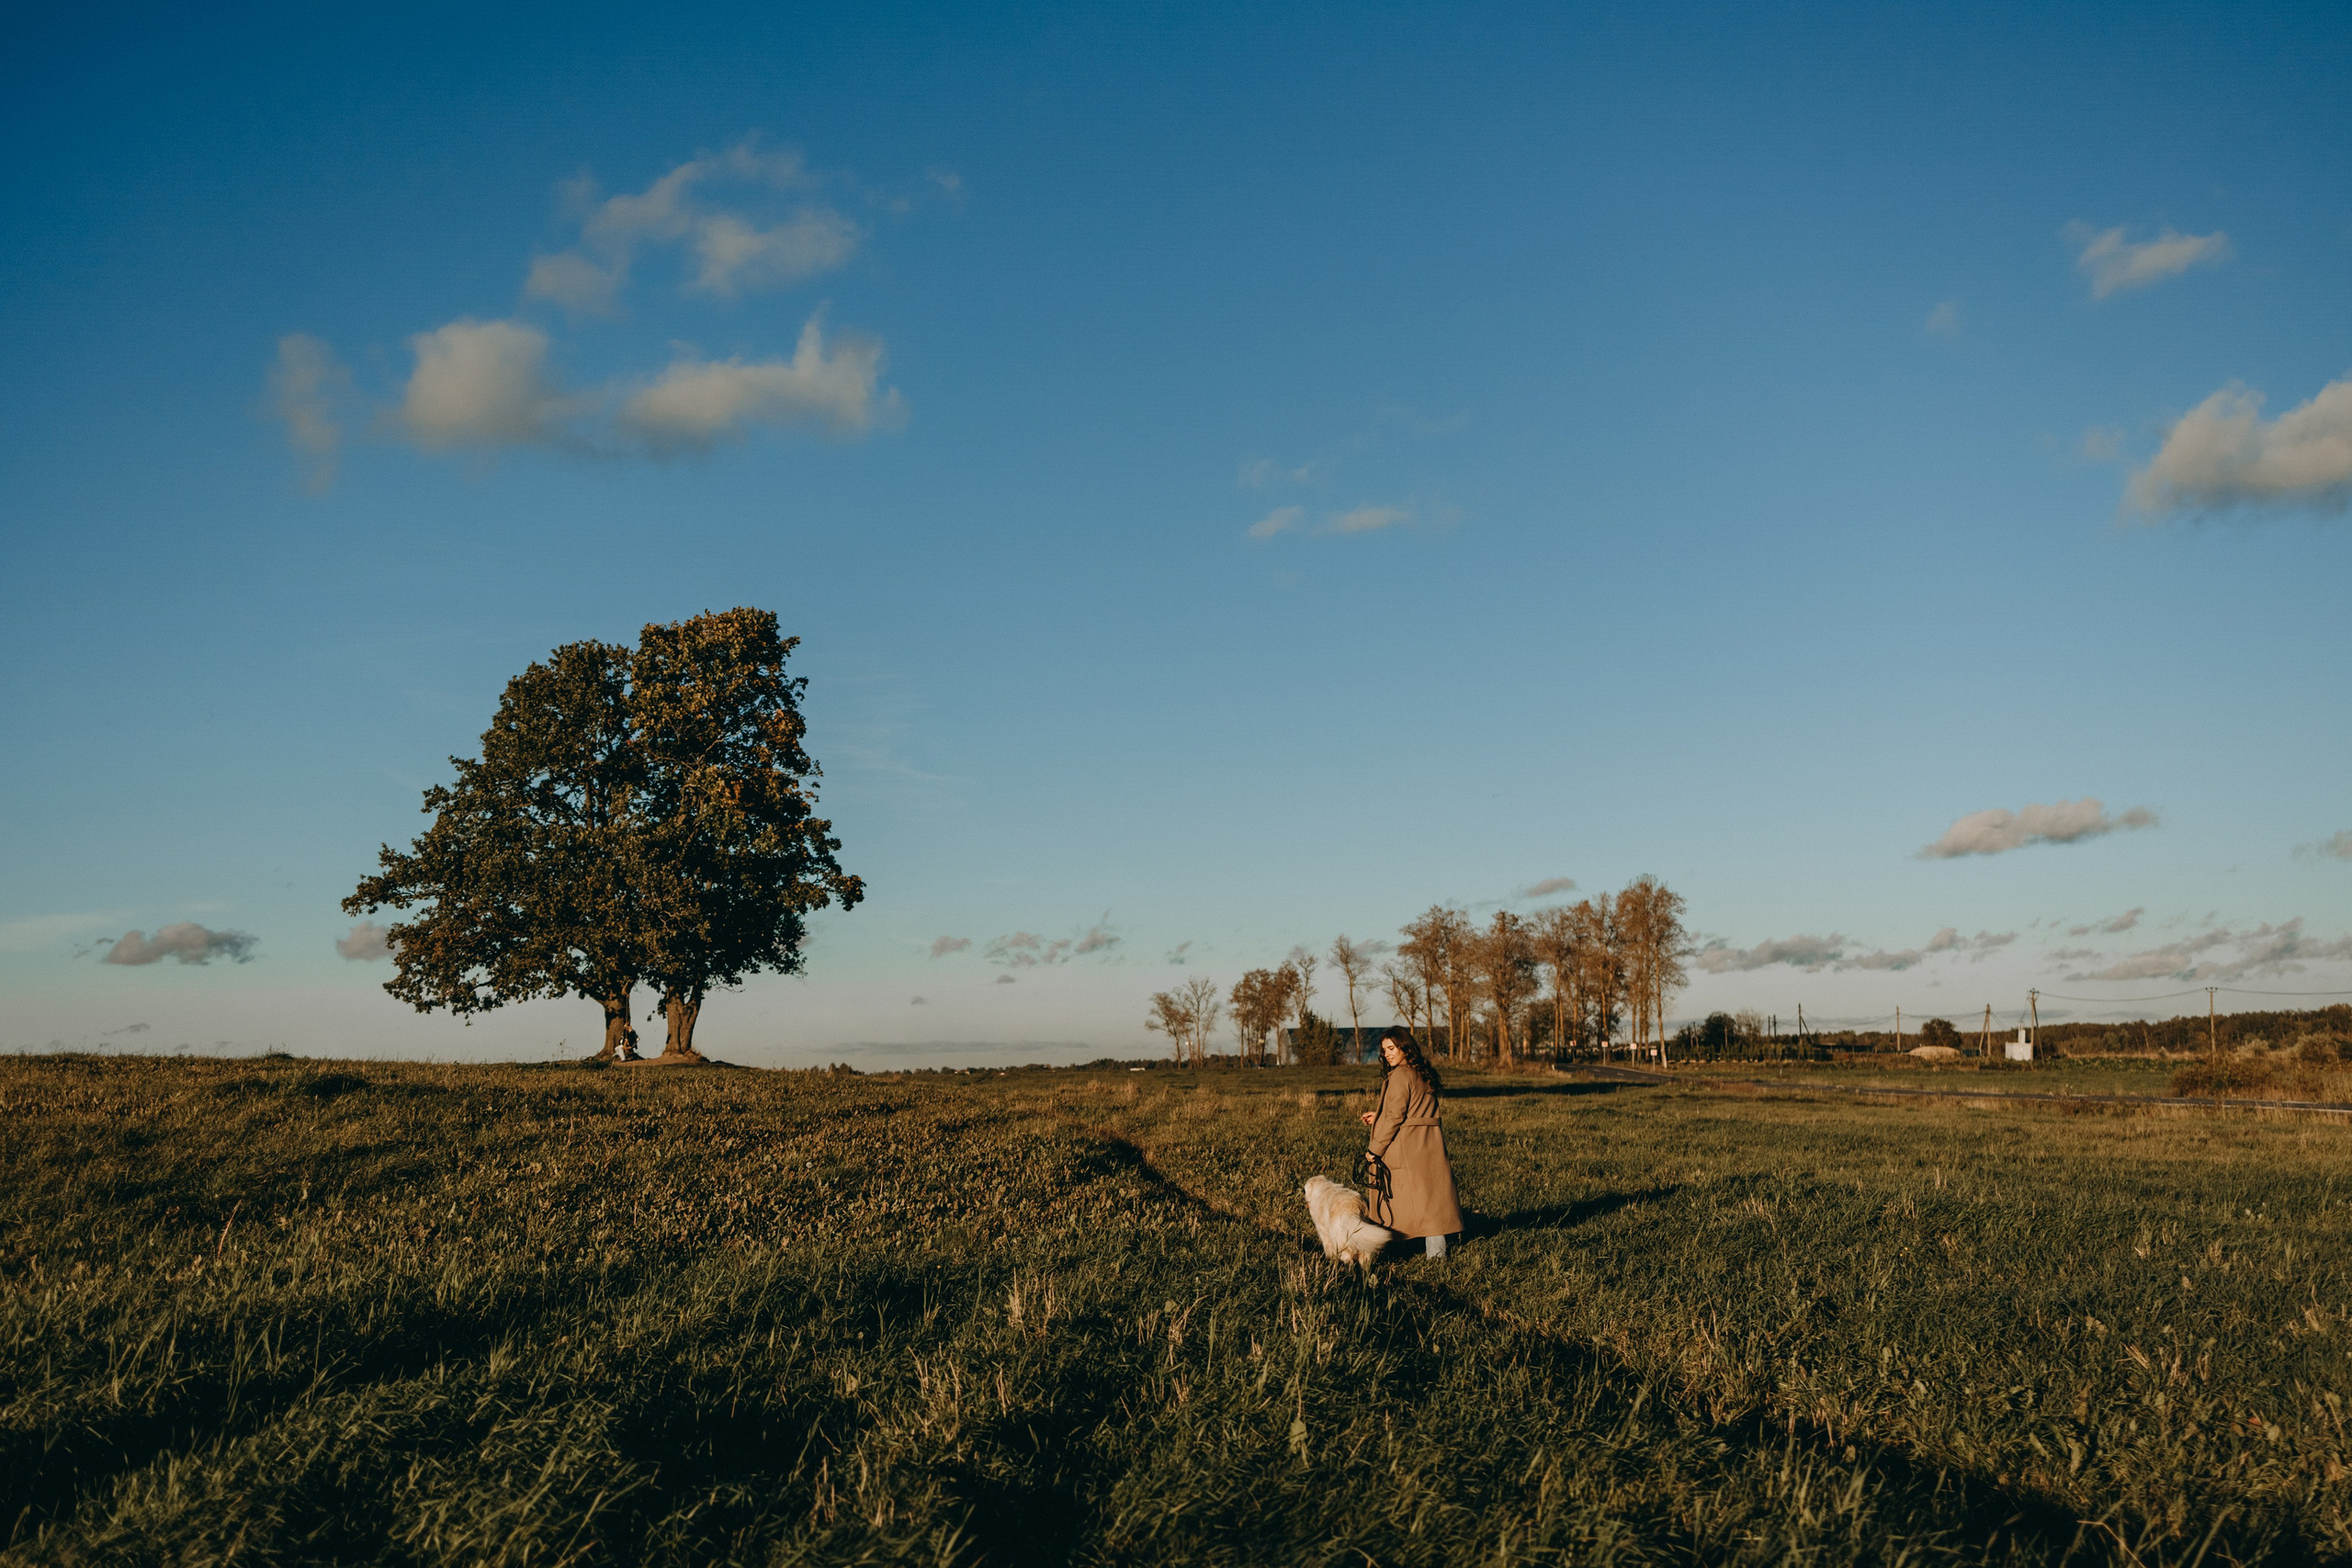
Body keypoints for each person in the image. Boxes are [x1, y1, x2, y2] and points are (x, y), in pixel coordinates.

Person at [1358, 1028, 1464, 1258]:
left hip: (1407, 1146)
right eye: (1384, 1050)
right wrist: (1379, 1115)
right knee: (1433, 1202)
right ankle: (1437, 1256)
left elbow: (1396, 1117)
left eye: (1392, 1048)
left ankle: (1388, 1253)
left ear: (1404, 1047)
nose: (1387, 1054)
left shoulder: (1399, 1076)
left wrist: (1373, 1150)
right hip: (1428, 1144)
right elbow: (1412, 1108)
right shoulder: (1422, 1072)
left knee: (1398, 1201)